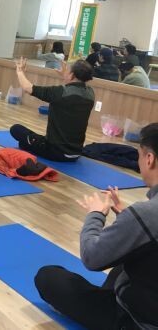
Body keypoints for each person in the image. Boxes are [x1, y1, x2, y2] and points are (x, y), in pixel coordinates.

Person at [35, 123, 158, 330]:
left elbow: (92, 257)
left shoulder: (146, 214)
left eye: (139, 156)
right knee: (128, 256)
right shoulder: (145, 215)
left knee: (48, 277)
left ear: (149, 159)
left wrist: (96, 214)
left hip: (139, 321)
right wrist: (126, 216)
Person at [10, 58, 94, 161]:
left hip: (56, 151)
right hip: (76, 153)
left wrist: (19, 71)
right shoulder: (90, 93)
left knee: (16, 129)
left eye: (67, 70)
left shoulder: (60, 93)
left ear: (72, 75)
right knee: (26, 142)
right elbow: (73, 89)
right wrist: (65, 74)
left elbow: (28, 88)